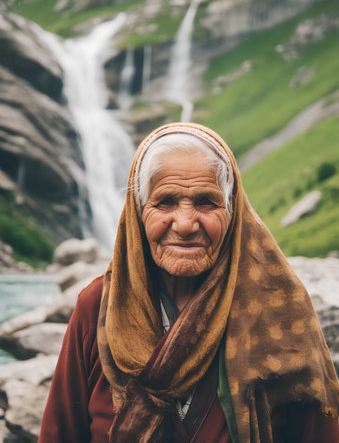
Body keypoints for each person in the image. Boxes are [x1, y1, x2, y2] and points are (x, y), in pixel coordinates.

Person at [39, 123, 339, 442]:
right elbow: (60, 433)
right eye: (165, 202)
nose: (184, 224)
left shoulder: (276, 309)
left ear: (233, 211)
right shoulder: (99, 305)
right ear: (138, 213)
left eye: (207, 202)